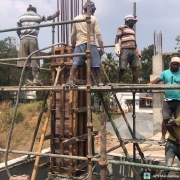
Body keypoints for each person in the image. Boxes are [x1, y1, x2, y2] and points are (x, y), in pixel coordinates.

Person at [17, 4, 60, 86]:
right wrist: (56, 15)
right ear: (35, 10)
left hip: (23, 40)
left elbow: (17, 30)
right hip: (33, 40)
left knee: (25, 61)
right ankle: (35, 80)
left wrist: (21, 38)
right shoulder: (38, 16)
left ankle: (29, 80)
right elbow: (49, 18)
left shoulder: (21, 17)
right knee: (35, 60)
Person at [65, 1, 104, 86]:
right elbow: (98, 33)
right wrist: (101, 47)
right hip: (91, 44)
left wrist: (73, 44)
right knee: (96, 64)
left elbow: (73, 34)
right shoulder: (93, 18)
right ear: (92, 9)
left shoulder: (76, 18)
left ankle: (70, 80)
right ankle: (99, 82)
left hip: (79, 44)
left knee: (75, 63)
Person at [148, 57, 180, 144]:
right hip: (167, 100)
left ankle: (177, 138)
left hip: (179, 101)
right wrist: (148, 85)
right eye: (174, 64)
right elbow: (156, 81)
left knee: (178, 120)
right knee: (165, 119)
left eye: (177, 64)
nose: (175, 66)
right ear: (170, 64)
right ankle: (163, 137)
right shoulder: (165, 73)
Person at [114, 14, 141, 83]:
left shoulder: (132, 30)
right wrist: (117, 48)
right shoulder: (121, 28)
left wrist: (138, 51)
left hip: (133, 49)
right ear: (128, 21)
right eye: (133, 21)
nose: (134, 23)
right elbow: (117, 38)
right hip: (125, 49)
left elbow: (134, 41)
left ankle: (137, 83)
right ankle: (118, 83)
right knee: (122, 67)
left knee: (134, 67)